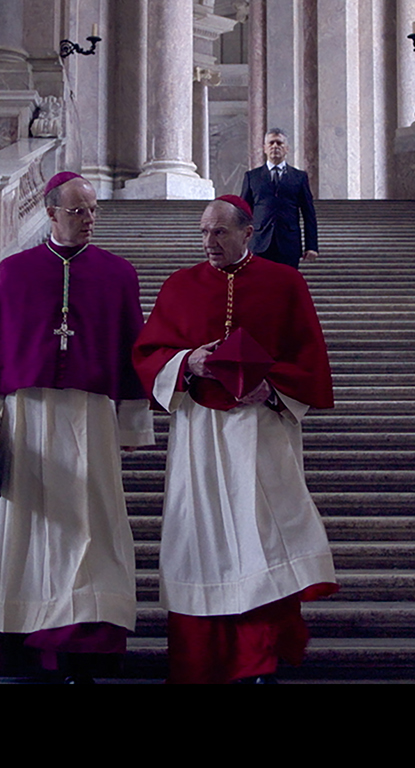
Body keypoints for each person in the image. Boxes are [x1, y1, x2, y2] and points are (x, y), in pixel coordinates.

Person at [0, 170, 152, 682]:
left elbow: (133, 351)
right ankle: (23, 641)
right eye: (77, 211)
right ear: (50, 213)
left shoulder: (118, 274)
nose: (88, 220)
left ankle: (83, 646)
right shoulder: (15, 272)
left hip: (90, 421)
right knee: (24, 533)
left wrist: (132, 423)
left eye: (92, 211)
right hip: (27, 421)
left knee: (92, 533)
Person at [132, 194, 337, 683]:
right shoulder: (179, 286)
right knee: (198, 538)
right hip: (198, 433)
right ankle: (199, 659)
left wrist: (274, 385)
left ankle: (261, 655)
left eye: (220, 232)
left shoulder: (285, 283)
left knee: (263, 537)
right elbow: (147, 352)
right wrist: (188, 361)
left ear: (249, 233)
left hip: (262, 429)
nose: (210, 242)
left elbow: (310, 358)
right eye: (203, 232)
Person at [240, 127, 319, 268]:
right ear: (264, 148)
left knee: (286, 286)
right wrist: (240, 243)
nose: (275, 146)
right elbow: (243, 213)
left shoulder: (299, 177)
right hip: (259, 243)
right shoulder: (252, 177)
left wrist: (311, 246)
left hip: (289, 243)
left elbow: (309, 214)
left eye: (279, 143)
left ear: (287, 148)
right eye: (271, 143)